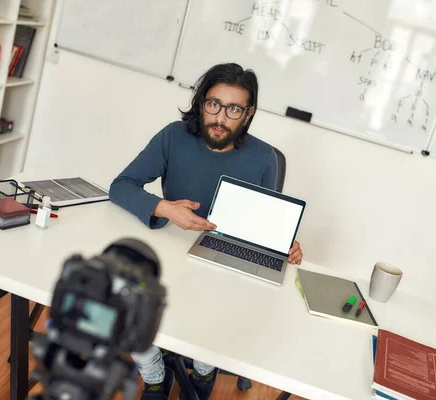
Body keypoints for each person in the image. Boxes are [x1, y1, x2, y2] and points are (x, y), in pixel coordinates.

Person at [109, 63, 303, 400]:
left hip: (221, 260)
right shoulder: (173, 136)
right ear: (201, 102)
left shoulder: (263, 158)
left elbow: (262, 223)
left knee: (222, 308)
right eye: (213, 104)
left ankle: (203, 368)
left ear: (247, 113)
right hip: (169, 248)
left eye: (233, 109)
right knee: (123, 289)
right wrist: (163, 207)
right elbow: (120, 186)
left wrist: (282, 242)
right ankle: (154, 372)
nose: (220, 117)